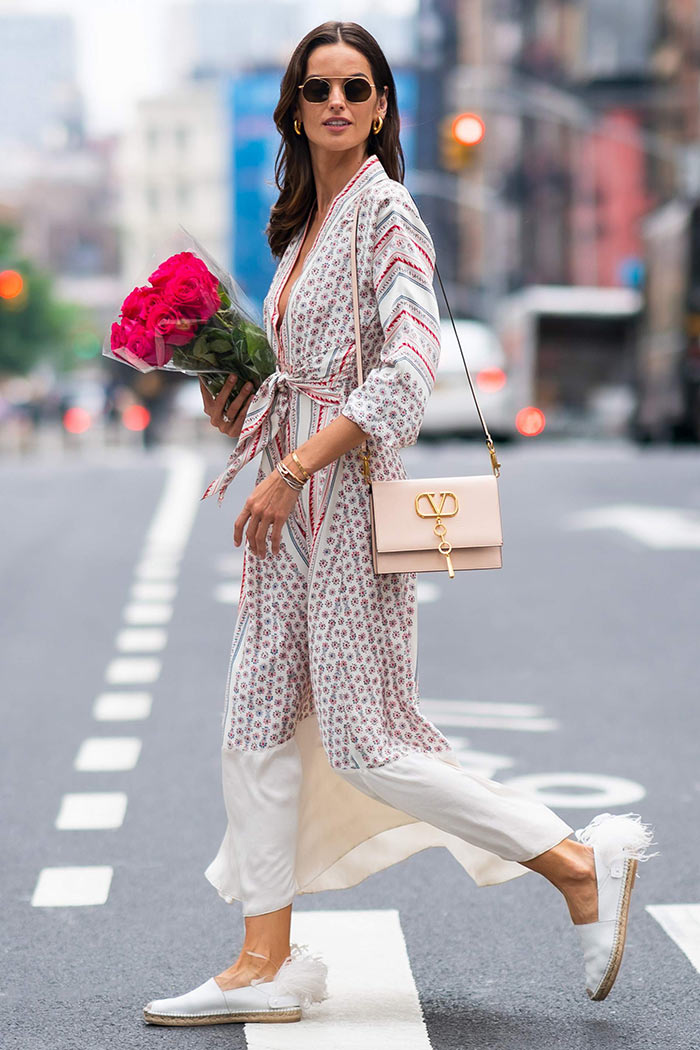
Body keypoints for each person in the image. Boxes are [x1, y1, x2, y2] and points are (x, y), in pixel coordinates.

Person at [143, 21, 657, 1027]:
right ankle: (263, 961)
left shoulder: (389, 216)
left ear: (380, 109)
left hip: (346, 506)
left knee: (369, 741)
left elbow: (409, 367)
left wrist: (292, 465)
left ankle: (574, 865)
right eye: (319, 88)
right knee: (251, 722)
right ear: (296, 108)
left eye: (357, 88)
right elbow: (300, 375)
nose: (337, 103)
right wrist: (237, 403)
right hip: (286, 514)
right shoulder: (296, 232)